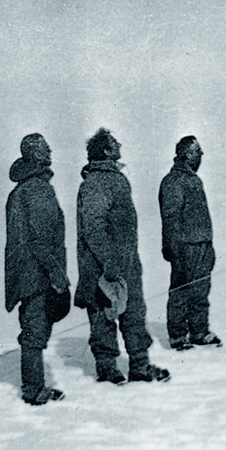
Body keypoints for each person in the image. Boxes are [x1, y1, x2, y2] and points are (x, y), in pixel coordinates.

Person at [74, 128, 169, 384]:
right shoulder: (95, 182)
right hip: (102, 268)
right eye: (115, 143)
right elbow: (94, 227)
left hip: (126, 265)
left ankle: (140, 366)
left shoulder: (116, 179)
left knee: (135, 314)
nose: (120, 145)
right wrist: (109, 262)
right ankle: (107, 370)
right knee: (103, 317)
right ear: (105, 150)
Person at [5, 134, 70, 405]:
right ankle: (34, 389)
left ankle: (35, 385)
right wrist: (57, 274)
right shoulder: (38, 189)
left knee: (33, 328)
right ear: (34, 154)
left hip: (25, 273)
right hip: (38, 275)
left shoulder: (20, 189)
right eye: (44, 148)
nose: (50, 150)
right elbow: (41, 241)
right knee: (35, 331)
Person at [159, 135, 221, 350]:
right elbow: (171, 217)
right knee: (181, 290)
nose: (201, 155)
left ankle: (199, 331)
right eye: (198, 151)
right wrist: (173, 248)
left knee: (201, 290)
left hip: (202, 244)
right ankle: (177, 336)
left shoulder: (194, 179)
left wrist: (208, 244)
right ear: (188, 154)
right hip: (184, 246)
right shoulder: (173, 181)